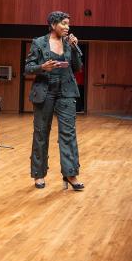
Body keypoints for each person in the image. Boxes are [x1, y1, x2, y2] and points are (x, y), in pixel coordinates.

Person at [25, 11, 84, 191]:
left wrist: (74, 49)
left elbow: (78, 67)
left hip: (66, 92)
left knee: (68, 134)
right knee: (41, 134)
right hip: (45, 92)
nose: (67, 27)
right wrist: (43, 67)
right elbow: (28, 68)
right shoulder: (39, 42)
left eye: (68, 24)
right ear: (53, 25)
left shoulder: (69, 43)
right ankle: (39, 174)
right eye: (64, 24)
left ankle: (70, 174)